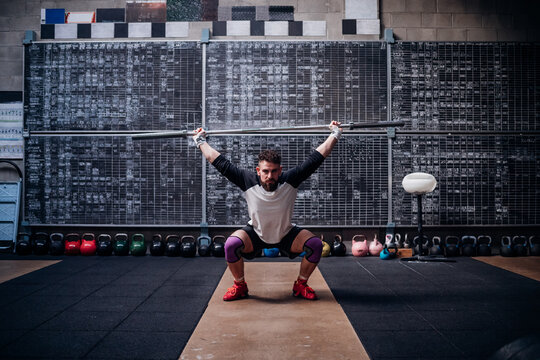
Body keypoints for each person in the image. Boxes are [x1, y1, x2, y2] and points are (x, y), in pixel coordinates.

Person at [192, 121, 342, 301]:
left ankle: (300, 284)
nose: (270, 176)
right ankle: (240, 286)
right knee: (231, 245)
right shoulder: (247, 180)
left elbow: (317, 157)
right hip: (256, 233)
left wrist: (335, 134)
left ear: (280, 171)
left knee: (315, 245)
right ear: (258, 170)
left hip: (286, 234)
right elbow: (218, 161)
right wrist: (201, 141)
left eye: (274, 171)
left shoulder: (291, 179)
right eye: (265, 171)